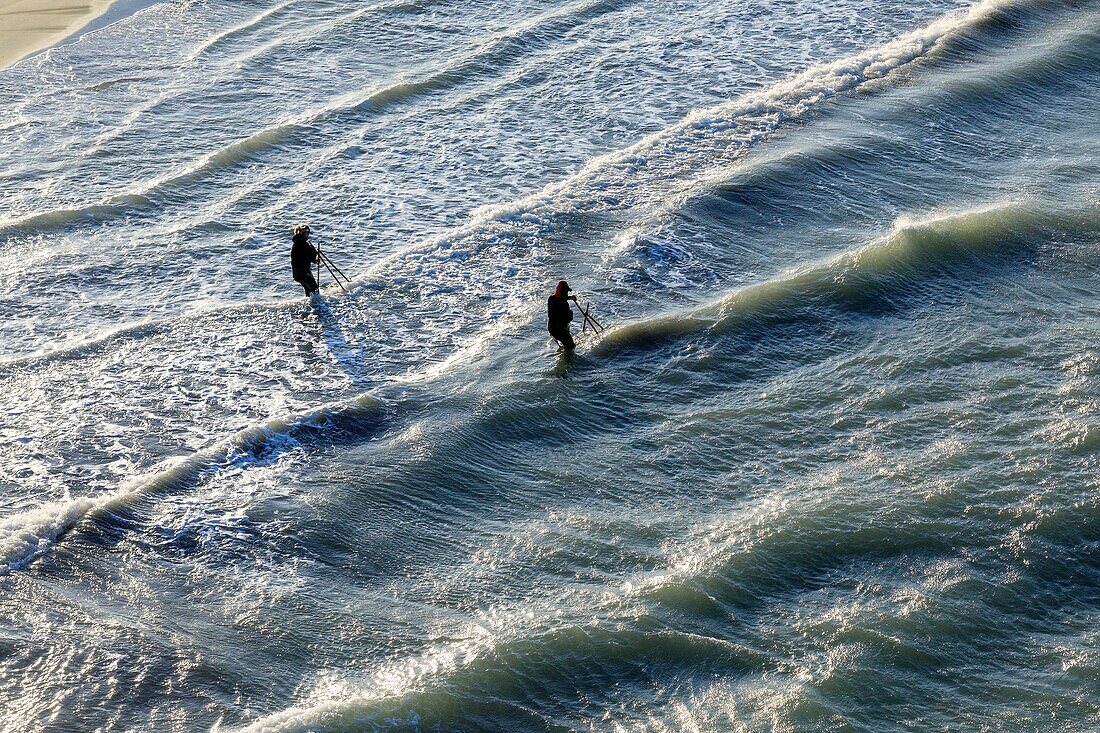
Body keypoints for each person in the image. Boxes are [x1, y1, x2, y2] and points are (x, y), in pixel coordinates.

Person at [547, 280, 576, 350]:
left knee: (564, 342)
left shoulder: (551, 298)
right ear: (564, 292)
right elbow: (569, 319)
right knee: (571, 347)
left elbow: (559, 298)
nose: (567, 293)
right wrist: (571, 312)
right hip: (560, 330)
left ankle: (563, 347)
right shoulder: (564, 304)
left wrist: (570, 298)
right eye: (566, 292)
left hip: (551, 328)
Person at [291, 224, 319, 296]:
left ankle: (312, 305)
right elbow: (307, 257)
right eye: (303, 233)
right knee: (315, 289)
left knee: (309, 290)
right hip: (301, 273)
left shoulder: (300, 243)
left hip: (301, 272)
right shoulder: (300, 244)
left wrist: (315, 260)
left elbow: (306, 257)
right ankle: (318, 305)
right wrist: (314, 253)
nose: (306, 234)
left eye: (307, 232)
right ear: (298, 233)